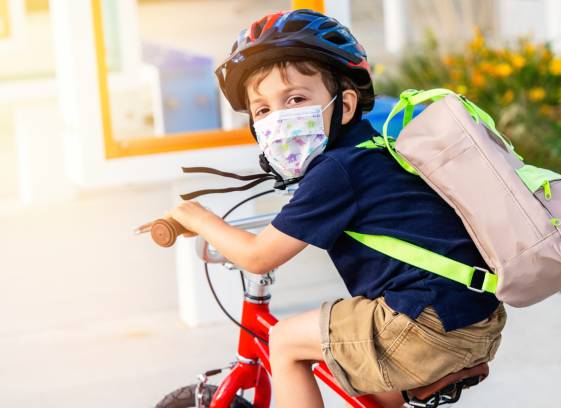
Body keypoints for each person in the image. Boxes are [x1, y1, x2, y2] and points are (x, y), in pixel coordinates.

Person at [166, 9, 506, 408]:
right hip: (475, 318)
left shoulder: (336, 172)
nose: (279, 119)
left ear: (344, 106)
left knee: (285, 341)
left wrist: (195, 216)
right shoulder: (373, 149)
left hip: (423, 327)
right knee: (370, 388)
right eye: (263, 110)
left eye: (295, 99)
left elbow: (258, 257)